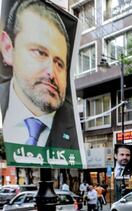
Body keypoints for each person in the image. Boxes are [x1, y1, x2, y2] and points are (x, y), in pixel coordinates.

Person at [0, 0, 78, 149]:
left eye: (59, 63)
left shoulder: (73, 129)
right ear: (8, 48)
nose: (51, 72)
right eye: (40, 53)